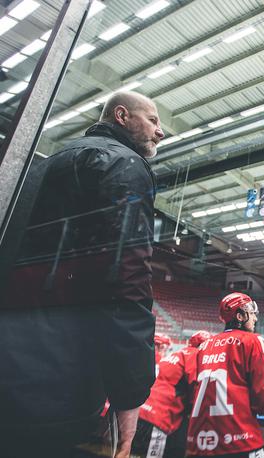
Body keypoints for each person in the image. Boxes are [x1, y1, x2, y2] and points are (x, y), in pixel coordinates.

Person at [0, 91, 164, 458]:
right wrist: (129, 393)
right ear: (121, 116)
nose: (160, 132)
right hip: (57, 385)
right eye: (153, 120)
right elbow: (126, 278)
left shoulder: (41, 165)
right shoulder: (123, 164)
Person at [186, 292, 264, 458]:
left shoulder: (203, 347)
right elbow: (263, 399)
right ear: (239, 316)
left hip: (197, 444)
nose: (255, 319)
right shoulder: (252, 341)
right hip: (239, 441)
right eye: (252, 314)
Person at [133, 330, 213, 458]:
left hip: (140, 411)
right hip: (159, 418)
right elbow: (196, 390)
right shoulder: (196, 356)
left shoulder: (176, 355)